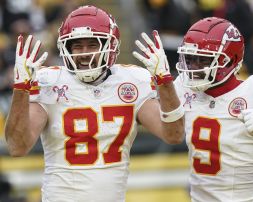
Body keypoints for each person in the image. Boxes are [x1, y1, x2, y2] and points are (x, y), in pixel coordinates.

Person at [5, 5, 184, 202]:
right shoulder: (49, 81)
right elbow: (17, 147)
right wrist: (20, 89)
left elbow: (174, 135)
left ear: (110, 46)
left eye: (92, 45)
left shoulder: (132, 81)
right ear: (65, 47)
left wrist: (165, 82)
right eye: (77, 45)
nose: (84, 53)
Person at [133, 17, 253, 202]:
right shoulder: (182, 87)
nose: (194, 67)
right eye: (190, 59)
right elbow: (171, 134)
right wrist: (163, 81)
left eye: (203, 60)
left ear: (232, 60)